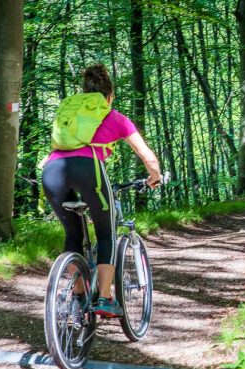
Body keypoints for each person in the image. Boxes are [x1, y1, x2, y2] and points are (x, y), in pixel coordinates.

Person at [42, 64, 162, 318]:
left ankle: (78, 297)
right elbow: (148, 158)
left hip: (52, 171)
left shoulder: (70, 113)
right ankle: (105, 299)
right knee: (106, 233)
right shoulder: (113, 116)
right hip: (88, 169)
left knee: (73, 233)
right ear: (109, 97)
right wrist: (156, 177)